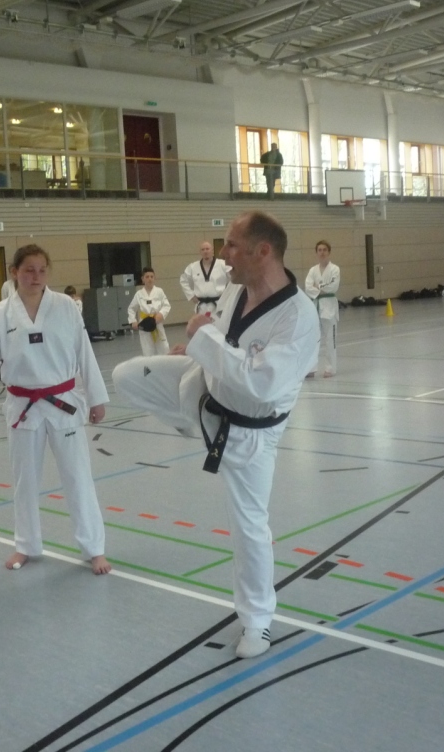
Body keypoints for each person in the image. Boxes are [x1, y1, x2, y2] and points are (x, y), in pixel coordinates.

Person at [113, 211, 319, 658]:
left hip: (250, 432)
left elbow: (262, 383)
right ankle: (192, 425)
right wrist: (196, 348)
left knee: (249, 527)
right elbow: (224, 340)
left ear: (262, 252)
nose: (224, 254)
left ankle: (258, 622)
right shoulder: (235, 289)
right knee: (126, 376)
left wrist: (203, 338)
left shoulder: (298, 317)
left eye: (231, 245)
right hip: (203, 392)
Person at [0, 244, 111, 575]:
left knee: (78, 477)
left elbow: (84, 352)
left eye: (42, 270)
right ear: (14, 272)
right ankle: (26, 545)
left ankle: (94, 549)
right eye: (28, 270)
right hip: (23, 405)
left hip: (64, 403)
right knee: (25, 480)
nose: (36, 277)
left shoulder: (65, 306)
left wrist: (97, 398)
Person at [304, 241, 340, 378]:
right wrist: (321, 288)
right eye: (319, 250)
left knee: (330, 339)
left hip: (329, 307)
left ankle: (330, 369)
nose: (322, 252)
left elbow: (333, 286)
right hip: (315, 307)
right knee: (313, 339)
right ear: (316, 252)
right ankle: (311, 368)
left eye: (325, 250)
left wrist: (318, 286)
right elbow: (308, 287)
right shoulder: (312, 270)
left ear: (329, 252)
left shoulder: (335, 269)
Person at [128, 267, 172, 356]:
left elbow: (167, 305)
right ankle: (149, 364)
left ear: (154, 278)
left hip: (157, 322)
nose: (150, 279)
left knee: (164, 348)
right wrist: (133, 321)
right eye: (147, 277)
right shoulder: (139, 294)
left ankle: (165, 364)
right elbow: (131, 308)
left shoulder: (159, 291)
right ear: (143, 279)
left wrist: (161, 314)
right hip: (144, 324)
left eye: (152, 277)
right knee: (147, 351)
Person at [180, 240, 231, 316]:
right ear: (200, 252)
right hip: (201, 306)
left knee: (220, 323)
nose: (205, 251)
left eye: (207, 249)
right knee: (201, 323)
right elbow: (183, 281)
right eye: (203, 249)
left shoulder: (223, 264)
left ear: (212, 251)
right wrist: (191, 296)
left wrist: (227, 295)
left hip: (219, 304)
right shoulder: (193, 267)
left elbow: (233, 280)